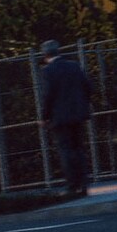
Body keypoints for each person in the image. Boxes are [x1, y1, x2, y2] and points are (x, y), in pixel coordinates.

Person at [37, 39, 95, 197]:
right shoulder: (74, 66)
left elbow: (48, 95)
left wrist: (44, 116)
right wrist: (83, 104)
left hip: (60, 117)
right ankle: (84, 183)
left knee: (66, 150)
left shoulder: (48, 71)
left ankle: (72, 185)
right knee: (79, 148)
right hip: (78, 114)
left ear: (45, 54)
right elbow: (88, 87)